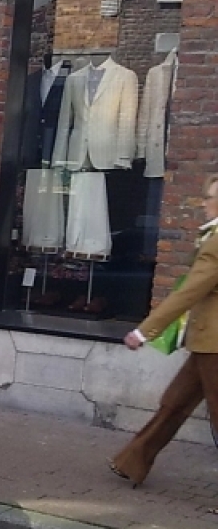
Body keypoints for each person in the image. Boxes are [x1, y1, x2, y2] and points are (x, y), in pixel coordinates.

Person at [110, 173, 218, 486]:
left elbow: (188, 292)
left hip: (214, 344)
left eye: (210, 198)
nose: (204, 203)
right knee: (174, 402)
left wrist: (145, 332)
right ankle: (133, 461)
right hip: (206, 342)